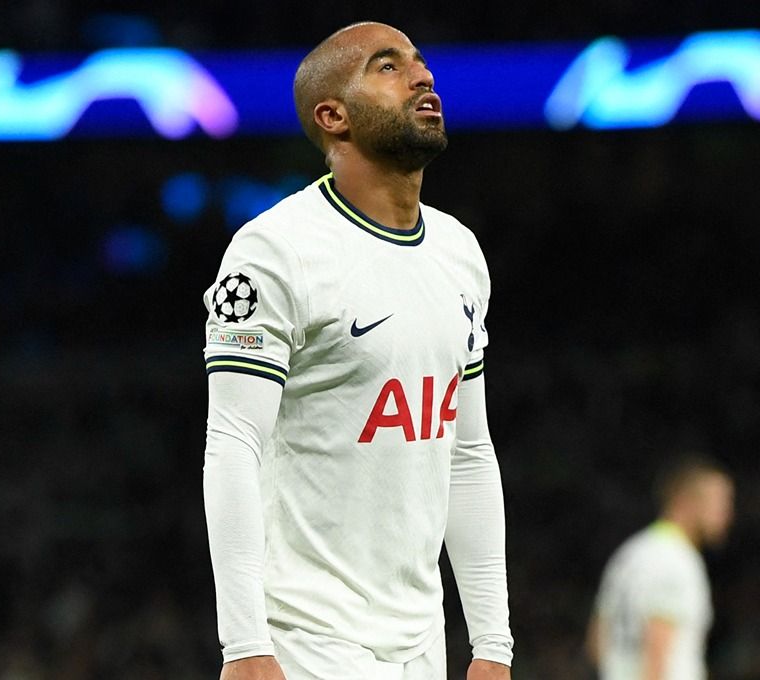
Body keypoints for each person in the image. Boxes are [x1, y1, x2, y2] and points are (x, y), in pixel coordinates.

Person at [201, 21, 513, 680]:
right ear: (332, 116)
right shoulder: (274, 252)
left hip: (421, 644)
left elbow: (468, 452)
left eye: (421, 63)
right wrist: (243, 643)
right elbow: (232, 440)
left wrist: (492, 642)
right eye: (388, 67)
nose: (422, 76)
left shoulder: (460, 253)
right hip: (305, 642)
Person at [586, 456, 734, 680]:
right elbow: (656, 655)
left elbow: (596, 643)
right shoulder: (676, 560)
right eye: (719, 502)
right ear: (685, 501)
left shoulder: (628, 554)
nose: (726, 514)